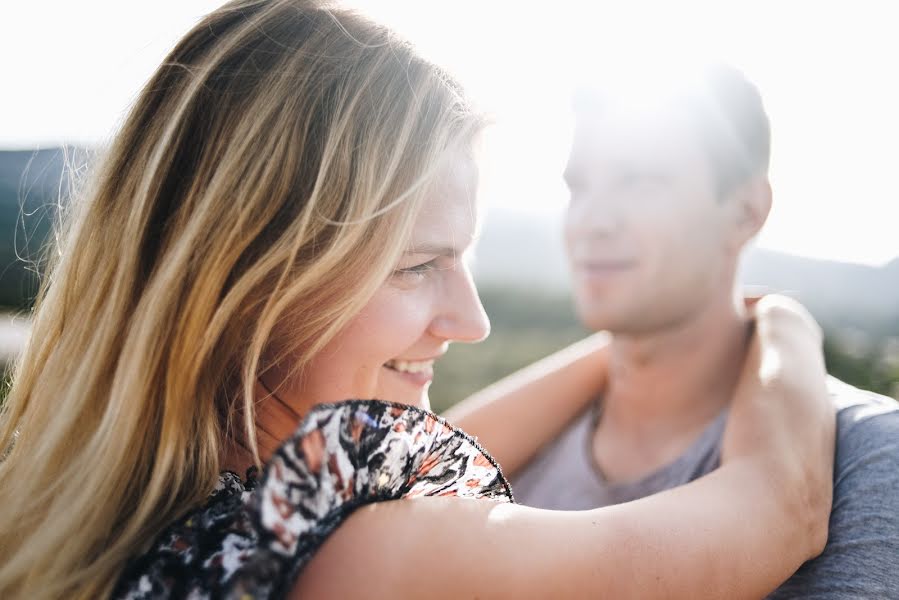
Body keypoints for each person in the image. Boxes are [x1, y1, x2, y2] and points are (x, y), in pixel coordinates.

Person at [0, 3, 835, 599]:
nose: (470, 321)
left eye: (463, 259)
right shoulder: (368, 559)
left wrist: (632, 349)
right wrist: (785, 324)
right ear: (247, 284)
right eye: (418, 266)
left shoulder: (73, 514)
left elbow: (432, 452)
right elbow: (780, 509)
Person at [448, 64, 899, 598]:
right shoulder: (498, 458)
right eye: (579, 186)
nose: (593, 220)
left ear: (746, 210)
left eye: (639, 181)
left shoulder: (866, 459)